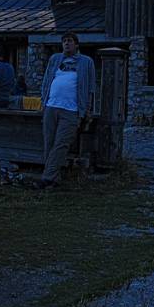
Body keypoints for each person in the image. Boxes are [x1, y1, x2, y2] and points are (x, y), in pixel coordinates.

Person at [37, 32, 96, 189]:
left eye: (69, 41)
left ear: (76, 44)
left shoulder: (86, 62)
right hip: (51, 106)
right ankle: (54, 179)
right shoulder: (55, 59)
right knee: (49, 143)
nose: (66, 44)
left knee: (61, 144)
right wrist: (44, 101)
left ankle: (46, 178)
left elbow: (90, 87)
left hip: (71, 109)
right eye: (64, 41)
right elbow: (47, 80)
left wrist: (87, 109)